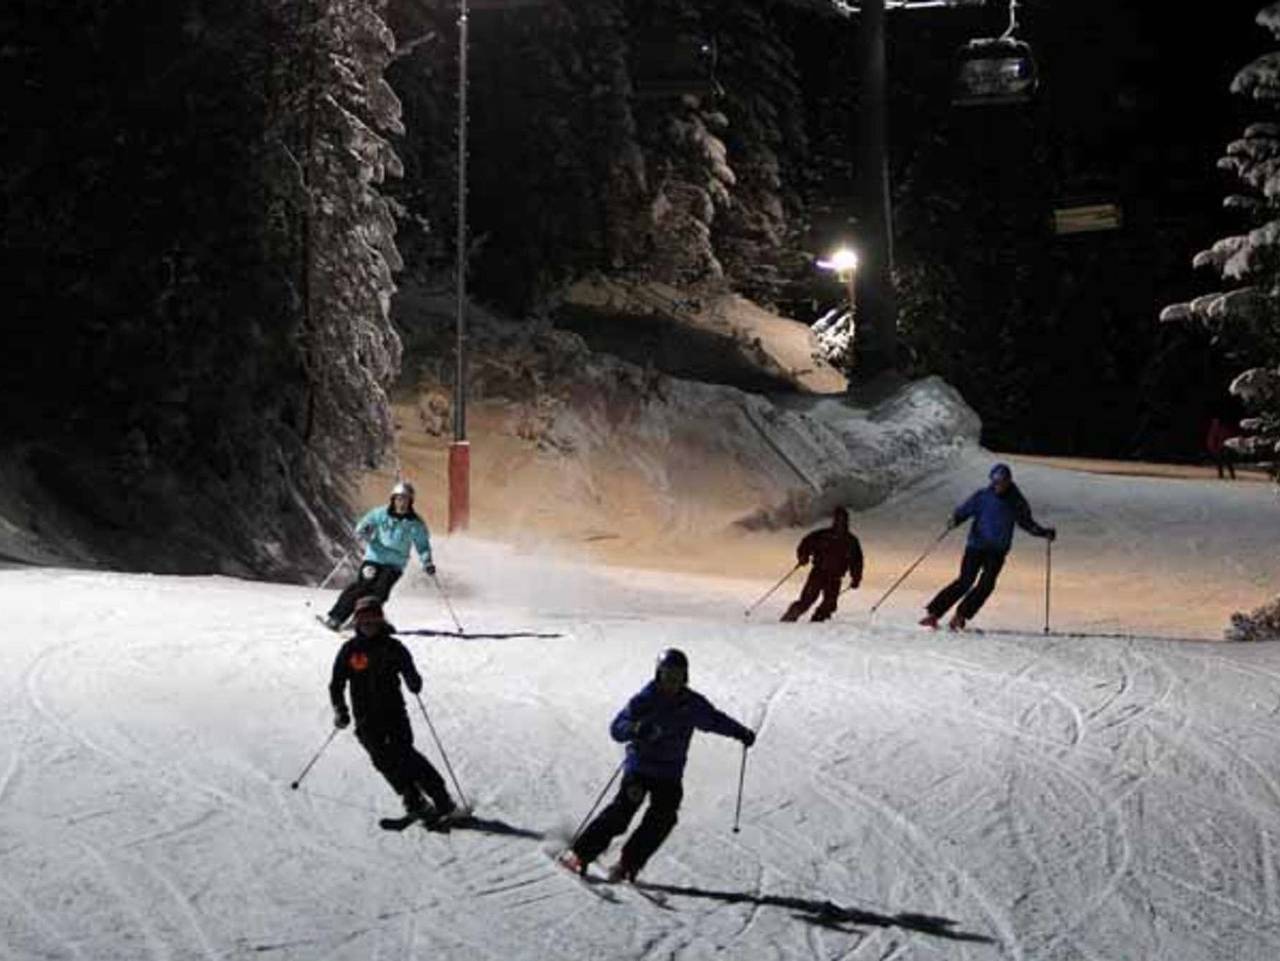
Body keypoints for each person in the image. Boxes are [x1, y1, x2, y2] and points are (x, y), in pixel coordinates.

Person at [559, 649, 755, 883]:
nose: (672, 682)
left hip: (670, 773)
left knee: (663, 818)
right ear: (658, 674)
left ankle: (628, 863)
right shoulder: (645, 700)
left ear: (685, 677)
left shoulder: (691, 704)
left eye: (678, 676)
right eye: (667, 675)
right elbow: (617, 728)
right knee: (623, 811)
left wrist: (739, 732)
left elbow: (714, 720)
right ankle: (580, 854)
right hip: (640, 769)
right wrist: (636, 729)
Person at [329, 595, 457, 822]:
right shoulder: (350, 650)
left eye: (373, 619)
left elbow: (409, 670)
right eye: (364, 619)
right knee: (381, 759)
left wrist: (413, 681)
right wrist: (341, 709)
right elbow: (337, 683)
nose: (369, 624)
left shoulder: (393, 647)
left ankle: (441, 797)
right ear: (357, 622)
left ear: (381, 620)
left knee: (405, 754)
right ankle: (412, 797)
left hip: (394, 712)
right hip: (365, 717)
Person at [919, 462, 1055, 632]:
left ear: (1009, 481)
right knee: (965, 581)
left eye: (1002, 482)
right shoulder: (982, 496)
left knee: (986, 584)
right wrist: (955, 520)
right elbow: (964, 511)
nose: (998, 486)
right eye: (996, 482)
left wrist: (1043, 532)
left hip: (997, 550)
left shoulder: (1016, 501)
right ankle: (934, 613)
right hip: (976, 545)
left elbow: (1026, 522)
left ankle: (961, 615)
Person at [323, 480, 434, 631]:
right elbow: (362, 525)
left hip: (395, 564)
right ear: (393, 499)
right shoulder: (380, 514)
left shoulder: (415, 523)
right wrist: (365, 530)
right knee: (363, 586)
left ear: (411, 502)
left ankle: (362, 620)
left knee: (380, 591)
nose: (401, 503)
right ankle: (336, 618)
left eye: (405, 500)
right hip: (374, 558)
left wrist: (427, 562)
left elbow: (422, 545)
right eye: (398, 499)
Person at [781, 506, 864, 622]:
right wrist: (803, 557)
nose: (840, 523)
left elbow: (857, 561)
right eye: (838, 519)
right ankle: (789, 618)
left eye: (843, 520)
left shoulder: (851, 541)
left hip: (835, 577)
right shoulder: (823, 535)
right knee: (807, 600)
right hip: (818, 573)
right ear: (834, 520)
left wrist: (856, 578)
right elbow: (805, 544)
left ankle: (817, 622)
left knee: (830, 604)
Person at [1206, 415, 1238, 480]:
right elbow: (1212, 439)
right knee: (1220, 462)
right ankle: (1221, 475)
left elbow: (1227, 437)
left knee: (1228, 462)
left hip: (1224, 447)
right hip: (1219, 448)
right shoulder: (1214, 429)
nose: (1215, 423)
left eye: (1216, 422)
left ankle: (1232, 476)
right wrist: (1213, 448)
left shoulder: (1222, 429)